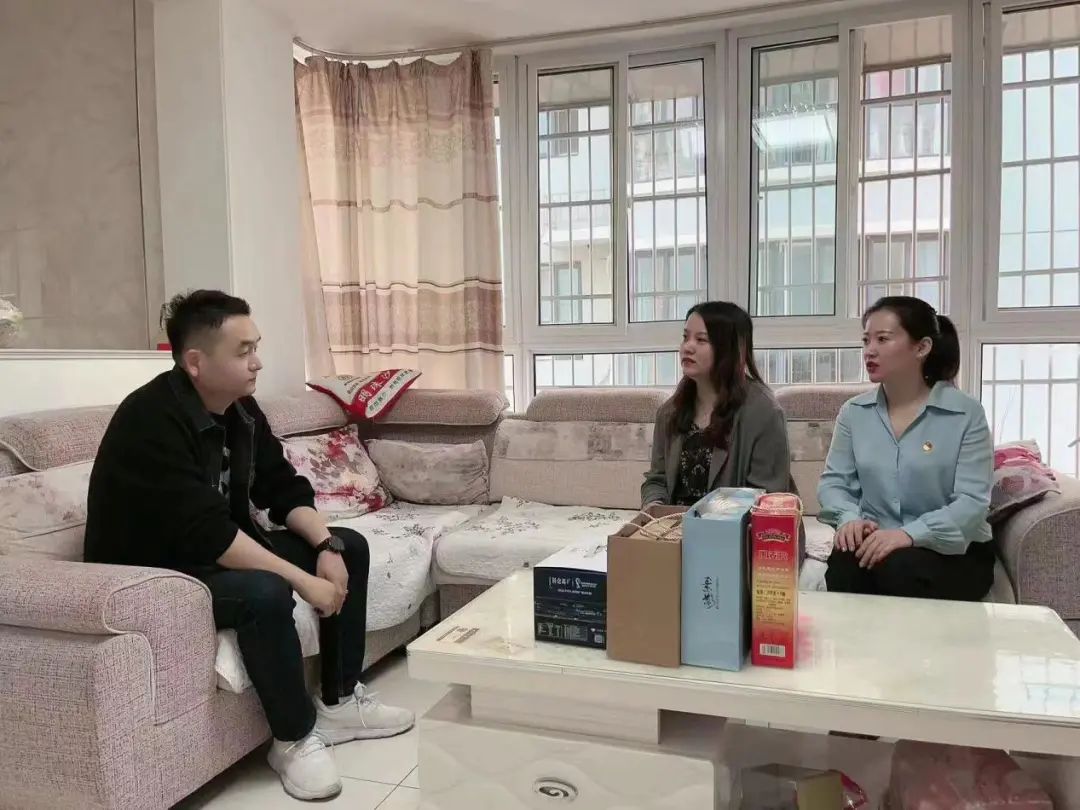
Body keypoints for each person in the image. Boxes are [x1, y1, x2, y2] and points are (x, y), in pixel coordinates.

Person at [84, 290, 413, 802]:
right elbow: (206, 533)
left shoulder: (241, 410)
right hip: (156, 573)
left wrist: (326, 546)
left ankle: (340, 701)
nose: (258, 362)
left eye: (256, 347)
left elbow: (282, 487)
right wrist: (305, 581)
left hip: (216, 549)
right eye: (243, 352)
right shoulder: (149, 421)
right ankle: (293, 739)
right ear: (196, 362)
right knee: (264, 593)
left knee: (351, 546)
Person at [819, 295, 994, 601]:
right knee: (844, 563)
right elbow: (835, 483)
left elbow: (972, 502)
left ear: (922, 347)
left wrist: (908, 535)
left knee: (898, 568)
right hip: (876, 541)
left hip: (953, 551)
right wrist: (849, 519)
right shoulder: (854, 413)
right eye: (866, 340)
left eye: (883, 339)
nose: (869, 350)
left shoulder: (966, 414)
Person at [642, 301, 798, 512]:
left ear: (727, 349)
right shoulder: (670, 412)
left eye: (701, 340)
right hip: (673, 527)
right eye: (685, 337)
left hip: (738, 527)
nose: (687, 347)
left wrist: (709, 524)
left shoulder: (764, 413)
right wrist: (654, 507)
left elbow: (768, 497)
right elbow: (657, 479)